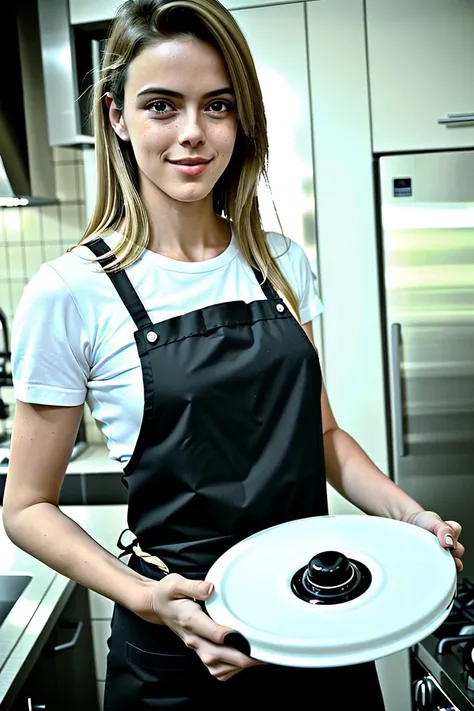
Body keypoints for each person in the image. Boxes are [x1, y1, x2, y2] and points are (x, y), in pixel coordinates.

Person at [3, 0, 463, 708]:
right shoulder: (70, 292)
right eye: (161, 105)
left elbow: (324, 434)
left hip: (319, 621)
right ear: (118, 116)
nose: (193, 133)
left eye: (216, 106)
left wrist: (408, 516)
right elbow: (27, 504)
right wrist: (150, 598)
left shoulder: (279, 260)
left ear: (241, 118)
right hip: (180, 647)